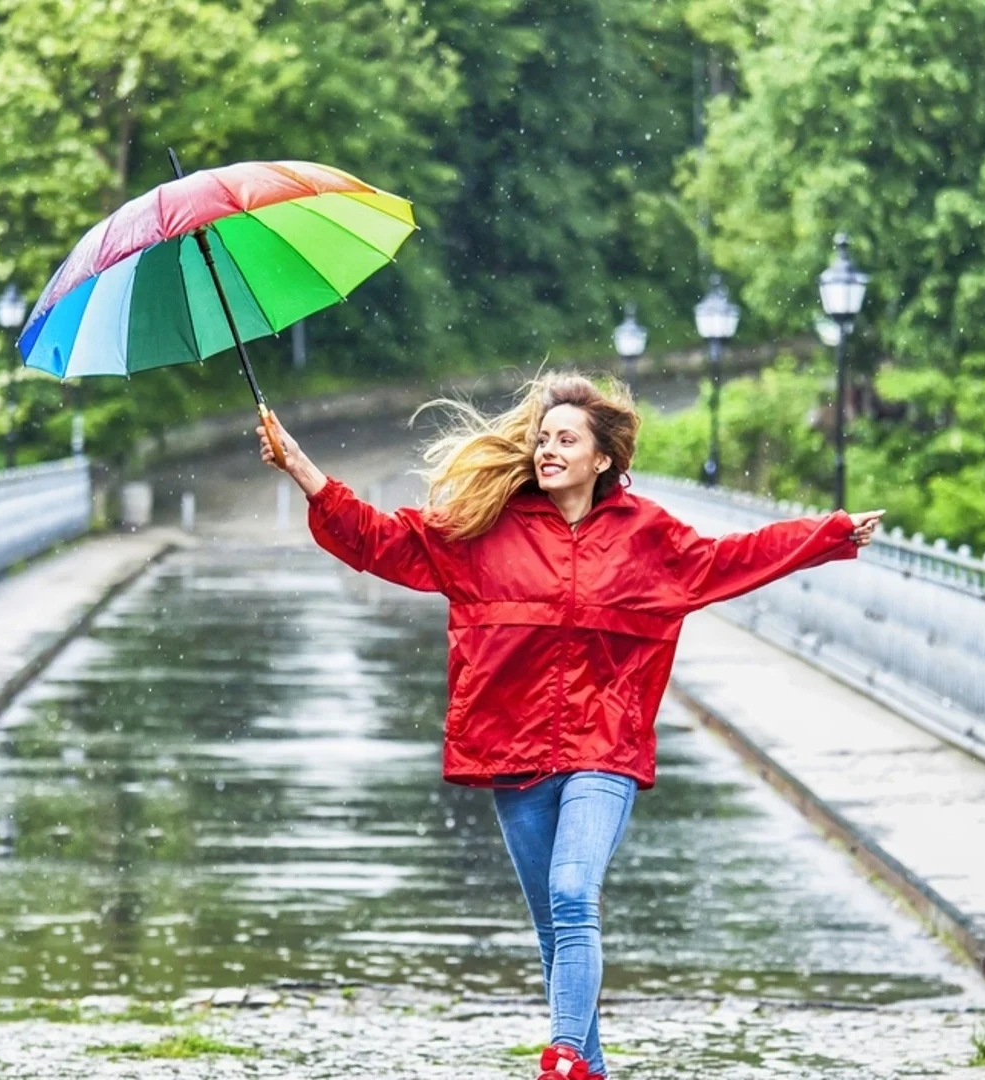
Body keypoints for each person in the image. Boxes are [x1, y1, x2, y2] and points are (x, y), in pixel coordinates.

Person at [258, 373, 882, 1080]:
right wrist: (302, 469)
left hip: (604, 749)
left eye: (566, 440)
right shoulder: (480, 531)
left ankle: (560, 1057)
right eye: (543, 439)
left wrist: (828, 533)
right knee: (557, 932)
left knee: (574, 891)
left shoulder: (650, 538)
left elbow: (730, 559)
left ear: (603, 459)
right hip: (514, 753)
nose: (548, 450)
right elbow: (377, 540)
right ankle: (587, 1066)